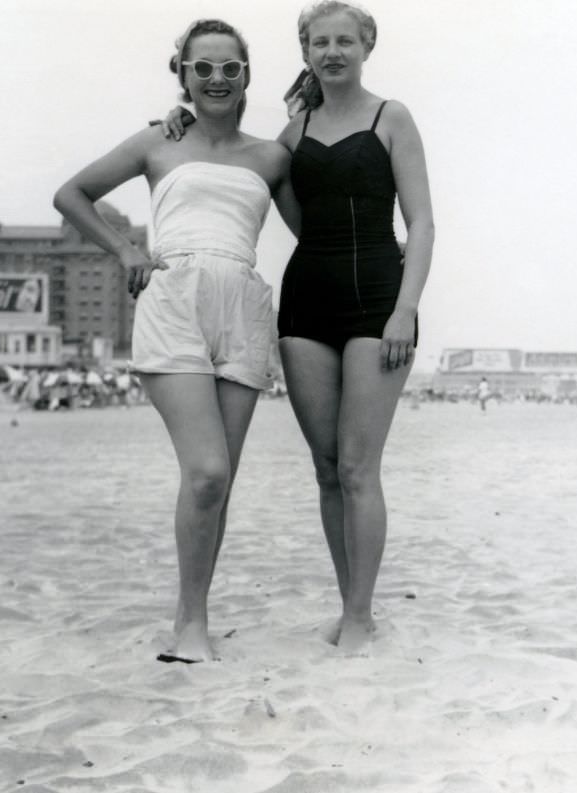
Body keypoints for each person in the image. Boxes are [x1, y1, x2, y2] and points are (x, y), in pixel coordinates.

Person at [160, 0, 434, 654]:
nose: (333, 51)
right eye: (320, 42)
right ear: (305, 52)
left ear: (367, 44)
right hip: (307, 304)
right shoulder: (291, 133)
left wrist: (406, 306)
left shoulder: (390, 118)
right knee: (327, 467)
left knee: (361, 467)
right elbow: (227, 150)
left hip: (379, 303)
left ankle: (361, 618)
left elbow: (422, 222)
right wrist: (177, 121)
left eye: (345, 40)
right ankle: (348, 606)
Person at [54, 19, 299, 663]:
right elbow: (72, 194)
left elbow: (315, 228)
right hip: (174, 298)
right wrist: (125, 248)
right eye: (204, 67)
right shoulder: (159, 140)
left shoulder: (272, 156)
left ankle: (195, 619)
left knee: (215, 485)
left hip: (243, 306)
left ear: (247, 77)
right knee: (208, 470)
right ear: (183, 73)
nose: (217, 78)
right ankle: (189, 623)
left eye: (231, 68)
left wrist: (302, 124)